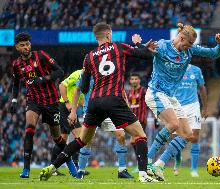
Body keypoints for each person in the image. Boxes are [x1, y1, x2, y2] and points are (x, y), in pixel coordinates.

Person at [39, 22, 158, 182]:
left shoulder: (88, 57)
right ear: (108, 35)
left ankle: (52, 167)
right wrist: (138, 43)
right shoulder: (118, 47)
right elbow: (147, 55)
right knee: (140, 135)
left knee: (81, 140)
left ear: (96, 37)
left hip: (94, 103)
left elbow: (85, 87)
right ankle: (143, 175)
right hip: (114, 99)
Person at [145, 23, 220, 181]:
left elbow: (213, 53)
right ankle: (146, 162)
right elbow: (142, 49)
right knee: (173, 124)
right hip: (156, 92)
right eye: (189, 43)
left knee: (189, 135)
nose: (190, 47)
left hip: (171, 97)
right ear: (181, 38)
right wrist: (145, 48)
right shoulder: (162, 46)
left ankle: (159, 165)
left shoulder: (190, 49)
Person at [10, 32, 77, 178]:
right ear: (17, 47)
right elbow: (15, 83)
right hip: (33, 100)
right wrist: (14, 100)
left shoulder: (40, 55)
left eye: (27, 44)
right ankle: (26, 169)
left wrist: (44, 78)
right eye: (22, 45)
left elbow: (60, 70)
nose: (26, 47)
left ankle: (69, 162)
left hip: (51, 101)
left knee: (57, 139)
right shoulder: (16, 65)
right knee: (29, 130)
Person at [67, 70, 134, 179]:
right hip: (91, 110)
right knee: (86, 141)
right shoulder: (85, 73)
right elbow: (77, 91)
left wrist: (126, 106)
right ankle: (81, 171)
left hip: (108, 110)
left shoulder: (109, 70)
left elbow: (120, 90)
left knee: (121, 135)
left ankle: (122, 170)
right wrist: (73, 112)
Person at [172, 64, 208, 177]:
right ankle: (177, 162)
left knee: (195, 137)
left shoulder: (196, 70)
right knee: (176, 139)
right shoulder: (172, 68)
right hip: (176, 105)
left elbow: (202, 88)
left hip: (193, 106)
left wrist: (205, 108)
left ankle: (193, 169)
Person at [126, 73, 148, 172]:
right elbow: (128, 105)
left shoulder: (144, 91)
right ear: (130, 81)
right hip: (132, 121)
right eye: (132, 79)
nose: (134, 81)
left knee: (136, 140)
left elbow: (149, 103)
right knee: (134, 141)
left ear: (139, 80)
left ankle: (142, 164)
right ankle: (142, 163)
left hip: (141, 120)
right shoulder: (129, 92)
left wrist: (155, 117)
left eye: (136, 79)